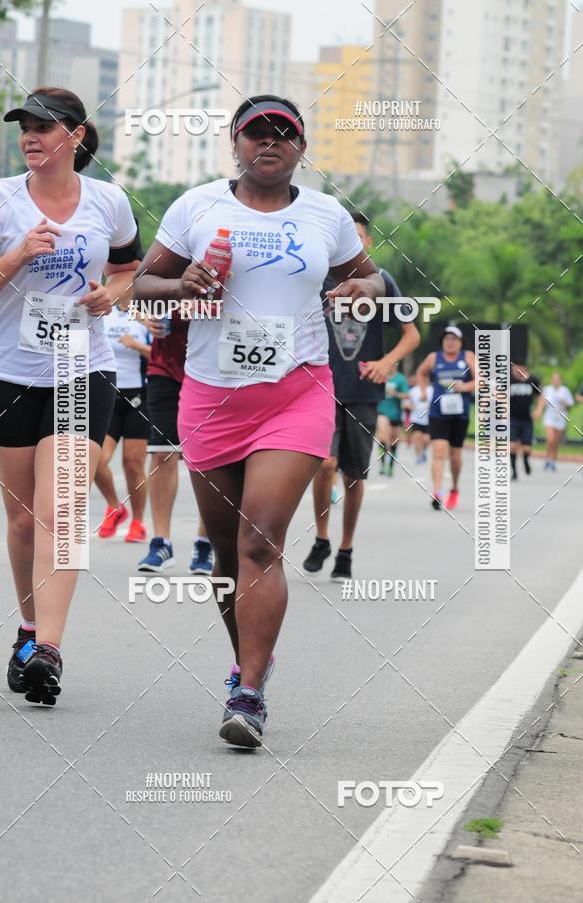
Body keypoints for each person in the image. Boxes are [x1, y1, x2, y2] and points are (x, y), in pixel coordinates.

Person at [133, 94, 385, 748]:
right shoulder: (196, 208)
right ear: (235, 142)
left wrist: (366, 287)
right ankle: (253, 660)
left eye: (283, 134)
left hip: (296, 392)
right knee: (225, 555)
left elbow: (372, 278)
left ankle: (247, 694)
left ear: (301, 147)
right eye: (256, 134)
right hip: (211, 397)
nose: (268, 144)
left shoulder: (326, 214)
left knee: (260, 540)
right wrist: (182, 284)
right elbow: (140, 285)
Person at [0, 88, 141, 703]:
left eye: (44, 127)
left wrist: (111, 296)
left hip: (83, 369)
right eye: (24, 127)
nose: (31, 136)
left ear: (75, 136)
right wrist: (19, 255)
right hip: (7, 375)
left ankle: (48, 648)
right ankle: (28, 628)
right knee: (23, 519)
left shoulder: (109, 201)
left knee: (61, 511)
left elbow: (127, 271)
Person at [303, 211, 419, 580]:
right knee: (324, 464)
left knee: (354, 477)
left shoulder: (381, 281)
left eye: (357, 236)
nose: (350, 242)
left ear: (368, 243)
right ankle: (321, 537)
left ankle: (345, 549)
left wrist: (386, 362)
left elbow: (411, 335)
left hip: (363, 392)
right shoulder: (318, 279)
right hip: (321, 388)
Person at [136, 311, 214, 574]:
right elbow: (130, 296)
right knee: (162, 453)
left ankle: (205, 543)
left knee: (210, 459)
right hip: (165, 367)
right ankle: (161, 543)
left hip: (213, 369)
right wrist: (141, 316)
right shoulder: (162, 275)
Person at [94, 301, 151, 541]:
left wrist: (136, 345)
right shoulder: (104, 312)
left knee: (132, 464)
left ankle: (138, 522)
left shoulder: (147, 314)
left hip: (139, 397)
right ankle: (114, 506)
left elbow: (163, 357)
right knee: (95, 460)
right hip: (109, 396)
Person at [415, 326, 476, 510]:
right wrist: (423, 390)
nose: (450, 342)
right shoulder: (434, 358)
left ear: (461, 342)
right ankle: (437, 492)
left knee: (455, 456)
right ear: (442, 341)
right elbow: (420, 373)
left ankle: (454, 488)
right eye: (447, 339)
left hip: (460, 414)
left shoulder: (467, 357)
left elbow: (480, 380)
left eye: (454, 339)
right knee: (439, 451)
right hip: (438, 412)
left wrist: (464, 387)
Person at [533, 372, 574, 471]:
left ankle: (552, 461)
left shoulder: (565, 390)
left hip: (560, 417)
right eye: (554, 379)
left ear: (560, 380)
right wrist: (539, 410)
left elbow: (570, 403)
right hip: (549, 416)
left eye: (557, 379)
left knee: (556, 441)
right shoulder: (547, 389)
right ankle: (547, 458)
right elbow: (541, 401)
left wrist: (564, 401)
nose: (555, 381)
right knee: (550, 439)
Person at [376, 361, 409, 476]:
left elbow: (406, 395)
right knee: (382, 437)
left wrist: (396, 394)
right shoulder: (380, 376)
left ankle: (390, 465)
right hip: (382, 411)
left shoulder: (400, 379)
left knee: (394, 441)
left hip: (396, 414)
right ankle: (382, 464)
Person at [509, 360, 540, 481]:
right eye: (514, 369)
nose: (516, 371)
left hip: (527, 419)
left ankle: (526, 460)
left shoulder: (532, 380)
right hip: (513, 418)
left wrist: (538, 410)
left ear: (524, 368)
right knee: (512, 446)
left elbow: (540, 396)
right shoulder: (509, 380)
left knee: (527, 448)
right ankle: (514, 471)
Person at [406, 373, 433, 464]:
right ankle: (419, 457)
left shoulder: (432, 390)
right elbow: (406, 403)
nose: (424, 380)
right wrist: (411, 406)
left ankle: (423, 451)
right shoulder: (413, 390)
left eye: (426, 378)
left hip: (428, 419)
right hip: (416, 419)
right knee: (417, 438)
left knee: (426, 440)